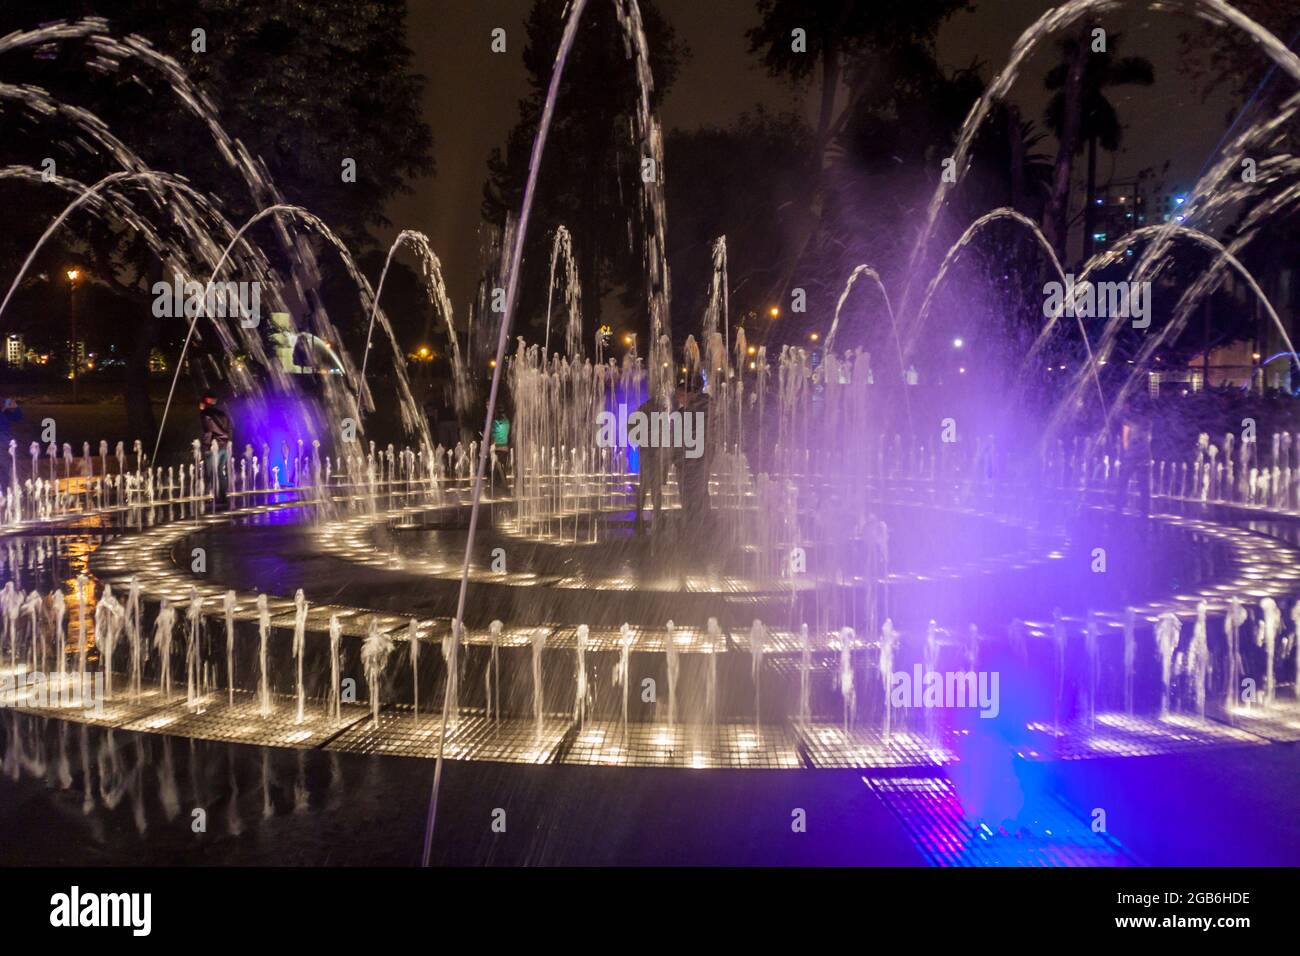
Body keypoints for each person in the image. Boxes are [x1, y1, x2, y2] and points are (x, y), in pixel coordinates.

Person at [199, 392, 233, 507]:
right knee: (219, 471)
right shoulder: (222, 414)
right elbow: (229, 428)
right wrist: (227, 441)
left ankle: (213, 497)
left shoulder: (205, 414)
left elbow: (208, 431)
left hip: (213, 446)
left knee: (211, 472)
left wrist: (206, 446)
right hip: (224, 446)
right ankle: (222, 496)